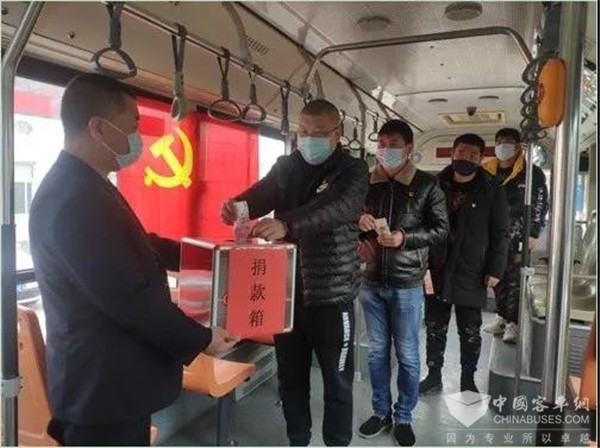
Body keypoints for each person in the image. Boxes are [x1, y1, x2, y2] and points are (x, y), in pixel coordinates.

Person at [29, 73, 239, 446]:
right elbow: (129, 297)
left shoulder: (84, 186)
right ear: (98, 128)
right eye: (133, 126)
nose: (138, 138)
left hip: (110, 382)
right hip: (104, 390)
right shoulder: (77, 199)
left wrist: (213, 258)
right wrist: (203, 339)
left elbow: (140, 244)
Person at [221, 99, 369, 446]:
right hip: (284, 294)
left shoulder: (352, 170)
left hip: (332, 294)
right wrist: (237, 207)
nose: (309, 138)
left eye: (318, 132)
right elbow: (261, 195)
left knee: (337, 379)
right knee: (291, 378)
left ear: (337, 133)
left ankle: (336, 442)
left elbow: (334, 208)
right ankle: (297, 439)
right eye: (303, 131)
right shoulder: (286, 166)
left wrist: (287, 224)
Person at [357, 120, 448, 446]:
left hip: (407, 284)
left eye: (393, 144)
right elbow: (346, 218)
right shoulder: (366, 183)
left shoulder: (427, 185)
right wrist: (357, 219)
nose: (385, 150)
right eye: (381, 144)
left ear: (408, 149)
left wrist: (404, 238)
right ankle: (381, 412)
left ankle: (404, 416)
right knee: (376, 353)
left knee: (408, 355)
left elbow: (440, 229)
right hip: (370, 281)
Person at [419, 133, 509, 395]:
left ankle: (468, 380)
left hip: (472, 269)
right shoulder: (434, 185)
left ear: (480, 158)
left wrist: (495, 269)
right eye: (461, 152)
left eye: (472, 155)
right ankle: (433, 376)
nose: (465, 158)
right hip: (436, 268)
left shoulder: (492, 189)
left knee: (470, 331)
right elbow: (422, 225)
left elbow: (500, 232)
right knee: (434, 327)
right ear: (452, 153)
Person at [482, 128, 549, 343]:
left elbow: (540, 204)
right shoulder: (486, 171)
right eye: (499, 141)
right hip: (493, 236)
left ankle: (515, 322)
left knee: (516, 279)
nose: (503, 145)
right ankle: (502, 317)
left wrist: (533, 232)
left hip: (519, 234)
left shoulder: (531, 173)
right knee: (497, 277)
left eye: (509, 141)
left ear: (519, 146)